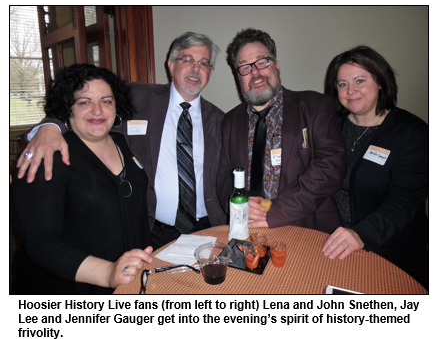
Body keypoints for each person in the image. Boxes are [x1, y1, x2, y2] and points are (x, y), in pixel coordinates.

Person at [16, 32, 227, 250]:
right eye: (187, 60)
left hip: (206, 228)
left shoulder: (221, 120)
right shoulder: (137, 96)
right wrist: (49, 127)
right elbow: (83, 104)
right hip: (150, 230)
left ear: (210, 72)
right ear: (171, 65)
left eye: (203, 63)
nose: (195, 69)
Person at [12, 64, 153, 294]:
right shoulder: (47, 157)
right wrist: (107, 273)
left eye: (106, 101)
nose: (97, 110)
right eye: (84, 102)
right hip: (71, 288)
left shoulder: (122, 143)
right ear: (67, 109)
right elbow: (41, 244)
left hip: (127, 279)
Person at [216, 28, 346, 233]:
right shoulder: (229, 120)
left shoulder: (314, 106)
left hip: (308, 229)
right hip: (247, 229)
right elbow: (223, 175)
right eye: (244, 67)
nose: (255, 72)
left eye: (262, 62)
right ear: (237, 76)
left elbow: (330, 167)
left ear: (276, 66)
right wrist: (237, 203)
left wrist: (279, 211)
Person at [322, 45, 429, 287]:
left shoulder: (412, 133)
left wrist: (362, 233)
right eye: (342, 84)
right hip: (332, 241)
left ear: (380, 81)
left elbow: (405, 200)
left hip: (386, 247)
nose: (351, 91)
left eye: (360, 80)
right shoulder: (330, 126)